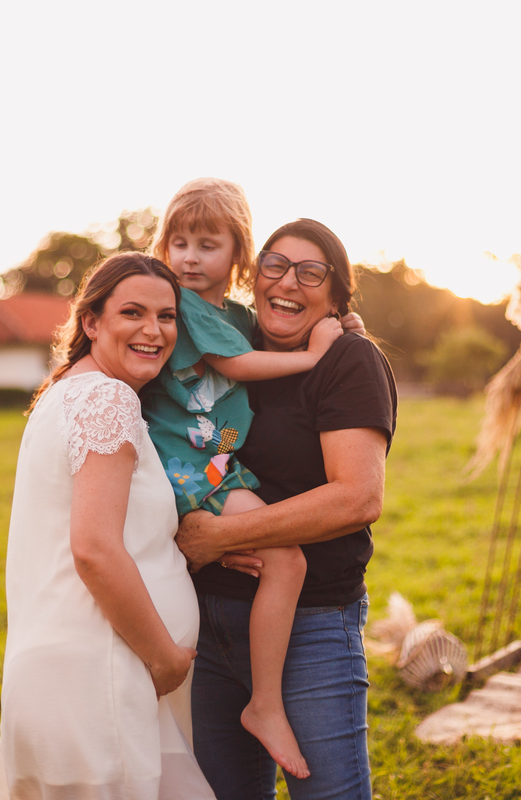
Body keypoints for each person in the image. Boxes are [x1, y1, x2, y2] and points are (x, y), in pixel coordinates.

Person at [175, 219, 397, 800]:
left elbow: (358, 497)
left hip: (311, 624)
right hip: (208, 623)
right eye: (275, 265)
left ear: (336, 297)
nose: (289, 282)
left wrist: (220, 537)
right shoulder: (225, 344)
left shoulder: (348, 360)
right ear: (254, 276)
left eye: (311, 273)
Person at [0, 252, 216, 800]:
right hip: (98, 681)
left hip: (89, 676)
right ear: (91, 322)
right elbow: (94, 549)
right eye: (132, 313)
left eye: (166, 316)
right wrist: (165, 657)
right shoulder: (106, 398)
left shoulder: (66, 393)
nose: (153, 330)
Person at [143, 178, 343, 779]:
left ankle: (260, 699)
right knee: (288, 561)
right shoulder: (182, 306)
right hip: (187, 468)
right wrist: (315, 355)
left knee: (275, 558)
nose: (188, 258)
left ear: (238, 256)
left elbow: (272, 328)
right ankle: (265, 705)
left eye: (207, 245)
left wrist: (337, 324)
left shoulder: (231, 314)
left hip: (218, 459)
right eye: (179, 243)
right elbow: (236, 364)